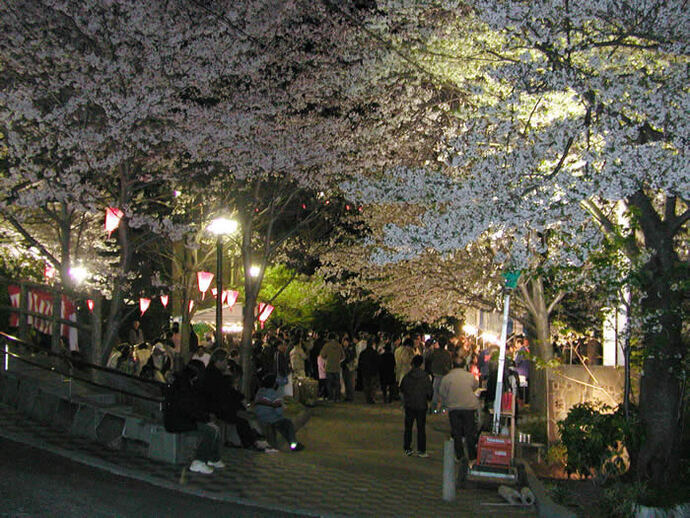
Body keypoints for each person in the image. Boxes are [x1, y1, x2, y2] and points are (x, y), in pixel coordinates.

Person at [201, 349, 275, 453]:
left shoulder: (213, 373)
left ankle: (254, 440)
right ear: (219, 361)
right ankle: (252, 441)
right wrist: (228, 378)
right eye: (225, 361)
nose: (226, 364)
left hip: (218, 404)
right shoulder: (214, 375)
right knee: (241, 417)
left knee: (242, 414)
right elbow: (226, 392)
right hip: (216, 406)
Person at [163, 361, 224, 474]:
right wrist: (205, 418)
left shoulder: (184, 383)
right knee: (210, 431)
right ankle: (199, 461)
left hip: (181, 418)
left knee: (214, 428)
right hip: (178, 420)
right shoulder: (183, 386)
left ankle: (213, 458)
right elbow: (188, 409)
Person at [438, 356, 481, 464]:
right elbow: (476, 386)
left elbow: (442, 392)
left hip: (454, 408)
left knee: (456, 432)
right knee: (469, 432)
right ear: (463, 365)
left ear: (453, 366)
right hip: (469, 407)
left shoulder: (447, 378)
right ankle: (472, 455)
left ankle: (460, 456)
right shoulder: (470, 376)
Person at [254, 374, 305, 452]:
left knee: (282, 424)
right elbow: (279, 411)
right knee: (287, 424)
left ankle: (292, 444)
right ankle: (293, 444)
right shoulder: (274, 394)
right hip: (270, 419)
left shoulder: (259, 392)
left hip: (259, 417)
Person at [399, 355, 433, 457]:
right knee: (421, 428)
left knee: (408, 427)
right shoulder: (426, 377)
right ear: (421, 364)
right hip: (421, 405)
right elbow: (430, 392)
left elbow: (402, 390)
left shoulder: (407, 376)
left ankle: (407, 448)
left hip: (409, 404)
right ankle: (421, 450)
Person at [428, 338, 452, 413]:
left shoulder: (435, 352)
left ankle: (434, 407)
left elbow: (429, 360)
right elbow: (449, 364)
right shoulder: (447, 354)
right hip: (444, 374)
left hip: (436, 374)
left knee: (435, 391)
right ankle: (443, 407)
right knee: (444, 392)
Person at [320, 332, 344, 402]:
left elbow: (322, 355)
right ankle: (337, 397)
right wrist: (338, 360)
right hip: (337, 367)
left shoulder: (326, 346)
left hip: (329, 367)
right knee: (337, 383)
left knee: (329, 383)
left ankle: (330, 397)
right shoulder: (339, 345)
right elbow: (343, 356)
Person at [358, 337, 380, 404]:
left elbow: (360, 362)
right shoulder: (374, 353)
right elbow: (378, 362)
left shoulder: (363, 353)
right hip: (373, 372)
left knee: (366, 385)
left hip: (365, 371)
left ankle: (367, 398)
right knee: (372, 386)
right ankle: (371, 398)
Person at [340, 336, 357, 402]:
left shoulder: (350, 348)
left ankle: (350, 396)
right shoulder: (343, 348)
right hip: (344, 367)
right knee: (346, 381)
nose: (345, 343)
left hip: (349, 366)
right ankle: (348, 396)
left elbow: (351, 357)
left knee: (350, 382)